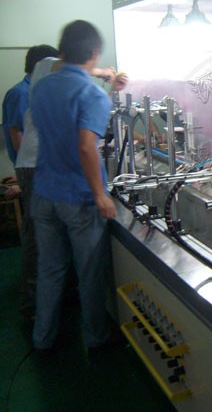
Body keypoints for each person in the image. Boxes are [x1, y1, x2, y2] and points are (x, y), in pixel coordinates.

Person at [30, 20, 127, 355]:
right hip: (79, 199)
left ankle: (42, 338)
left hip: (44, 192)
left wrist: (105, 83)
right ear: (95, 53)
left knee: (50, 270)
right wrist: (100, 195)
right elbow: (86, 146)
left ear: (62, 50)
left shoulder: (42, 87)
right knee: (89, 275)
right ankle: (97, 338)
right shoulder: (90, 94)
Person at [2, 45, 58, 165]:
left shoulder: (40, 90)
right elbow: (16, 133)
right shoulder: (20, 93)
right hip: (31, 164)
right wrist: (28, 165)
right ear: (42, 65)